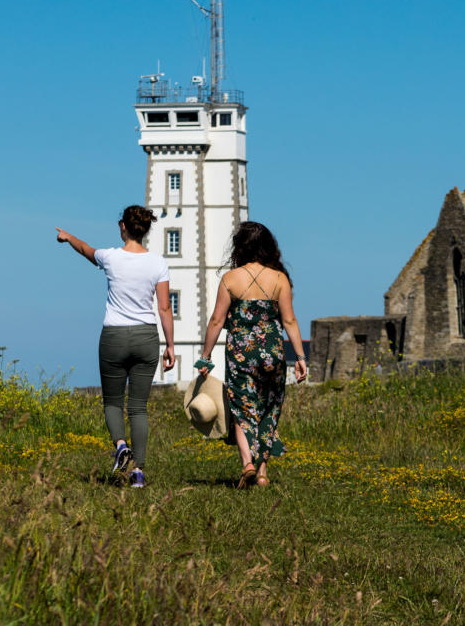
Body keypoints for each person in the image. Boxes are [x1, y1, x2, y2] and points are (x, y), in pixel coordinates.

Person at [56, 205, 174, 488]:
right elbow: (165, 307)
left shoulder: (110, 257)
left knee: (112, 402)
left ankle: (121, 445)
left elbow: (85, 249)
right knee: (138, 408)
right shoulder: (158, 263)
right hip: (146, 337)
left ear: (123, 226)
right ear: (146, 230)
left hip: (114, 337)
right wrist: (170, 344)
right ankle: (138, 473)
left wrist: (68, 236)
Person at [198, 221, 308, 487]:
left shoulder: (230, 279)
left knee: (242, 409)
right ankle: (262, 473)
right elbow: (290, 321)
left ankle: (247, 463)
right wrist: (301, 358)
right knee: (268, 410)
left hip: (241, 354)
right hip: (272, 353)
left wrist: (206, 355)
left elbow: (216, 320)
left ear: (240, 247)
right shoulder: (280, 279)